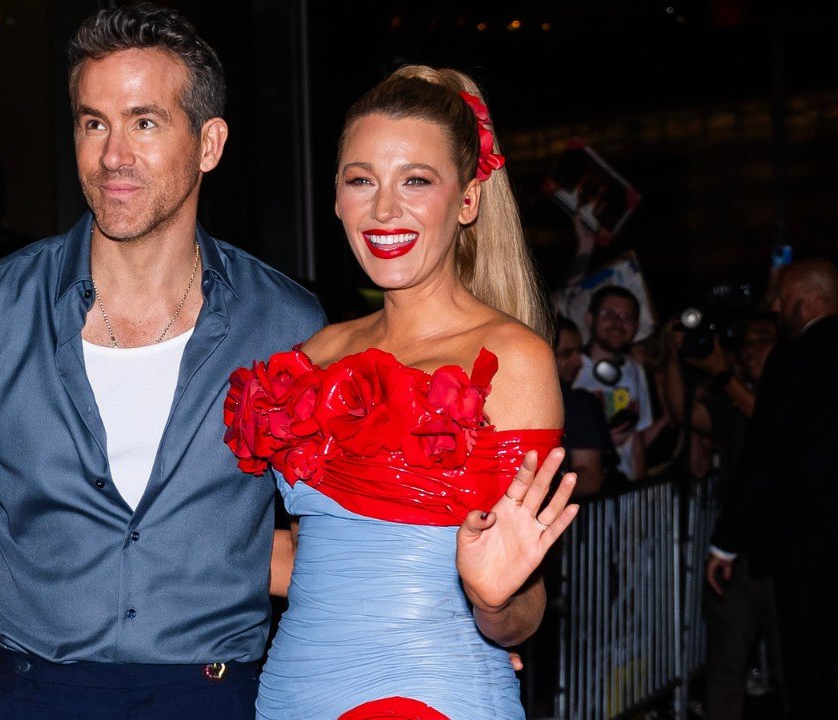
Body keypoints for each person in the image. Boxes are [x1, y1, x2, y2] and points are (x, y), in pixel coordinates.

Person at [0, 5, 326, 719]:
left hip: (218, 695)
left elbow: (327, 540)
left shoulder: (286, 324)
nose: (112, 156)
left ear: (210, 143)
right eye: (93, 122)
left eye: (145, 122)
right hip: (34, 690)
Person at [223, 65, 578, 719]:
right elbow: (311, 557)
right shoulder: (311, 357)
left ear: (467, 199)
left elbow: (520, 603)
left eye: (416, 180)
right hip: (289, 696)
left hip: (429, 695)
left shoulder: (511, 362)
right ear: (335, 196)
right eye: (362, 180)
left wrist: (497, 600)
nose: (385, 209)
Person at [707, 259, 838, 718]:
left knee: (807, 668)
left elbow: (765, 454)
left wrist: (726, 543)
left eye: (784, 299)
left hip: (806, 545)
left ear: (810, 299)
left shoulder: (792, 359)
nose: (778, 309)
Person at [690, 312, 782, 719]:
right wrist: (673, 365)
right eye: (745, 342)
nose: (750, 349)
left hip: (788, 555)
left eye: (762, 339)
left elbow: (773, 423)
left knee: (793, 666)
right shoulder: (731, 402)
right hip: (737, 555)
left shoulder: (796, 394)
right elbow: (686, 417)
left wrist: (721, 375)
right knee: (726, 666)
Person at [573, 285, 653, 480]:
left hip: (623, 490)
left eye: (627, 317)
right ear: (589, 319)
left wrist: (638, 490)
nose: (617, 323)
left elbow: (637, 438)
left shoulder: (635, 369)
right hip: (584, 490)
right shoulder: (572, 367)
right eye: (608, 314)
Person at [553, 315, 612, 496]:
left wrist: (535, 495)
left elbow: (590, 478)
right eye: (566, 353)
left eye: (578, 352)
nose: (578, 362)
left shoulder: (578, 403)